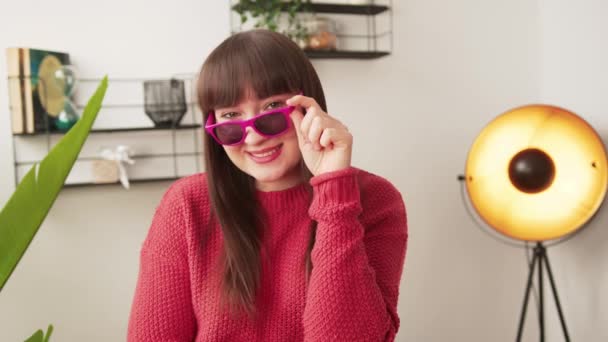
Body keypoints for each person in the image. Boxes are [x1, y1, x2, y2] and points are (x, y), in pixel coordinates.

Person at [127, 29, 408, 341]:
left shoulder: (375, 199)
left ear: (309, 107)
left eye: (273, 109)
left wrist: (334, 192)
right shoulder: (186, 205)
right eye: (231, 117)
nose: (254, 136)